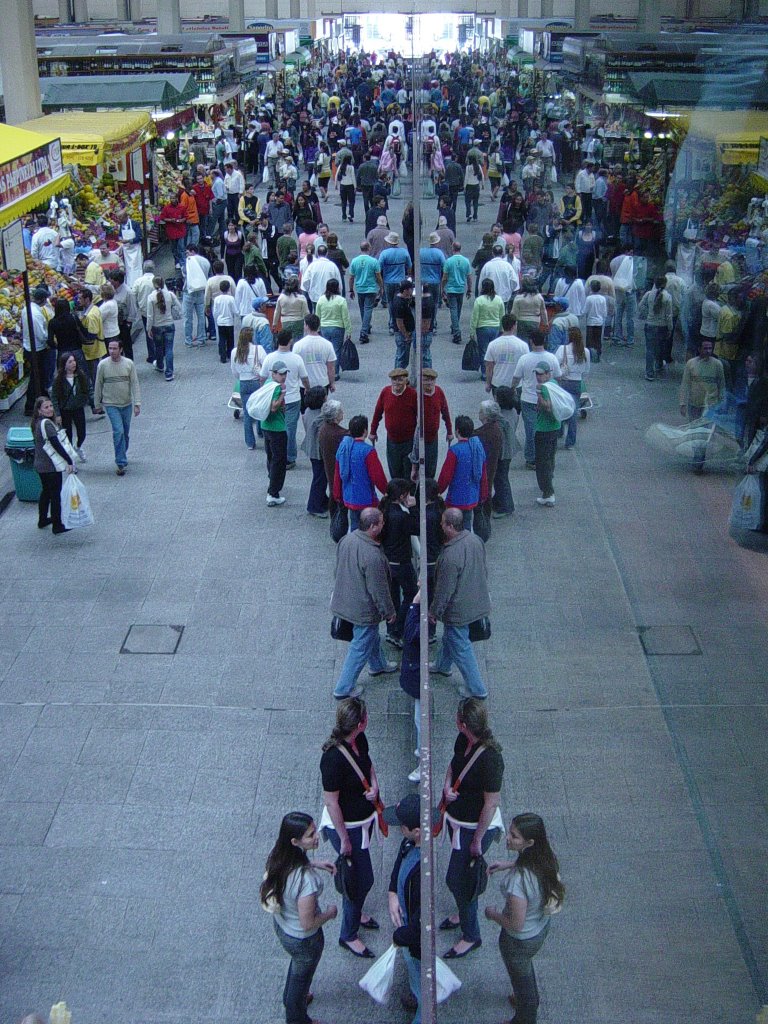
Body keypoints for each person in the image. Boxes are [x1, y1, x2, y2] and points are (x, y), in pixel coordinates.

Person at [436, 697, 504, 955]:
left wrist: (477, 840)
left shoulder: (491, 760)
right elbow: (453, 767)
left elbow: (490, 804)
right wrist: (446, 786)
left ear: (463, 723)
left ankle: (471, 933)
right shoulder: (464, 740)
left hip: (473, 828)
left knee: (457, 879)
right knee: (462, 876)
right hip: (460, 822)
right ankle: (464, 914)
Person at [485, 814, 565, 1024]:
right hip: (539, 926)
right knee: (524, 974)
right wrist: (509, 864)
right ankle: (525, 998)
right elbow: (530, 864)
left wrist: (493, 915)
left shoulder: (518, 884)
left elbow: (515, 924)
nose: (508, 838)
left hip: (519, 941)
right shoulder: (546, 859)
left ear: (529, 843)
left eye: (514, 836)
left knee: (522, 980)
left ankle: (525, 1015)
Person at [260, 812, 337, 1024]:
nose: (316, 837)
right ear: (295, 841)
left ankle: (294, 998)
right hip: (303, 940)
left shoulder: (278, 856)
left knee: (297, 971)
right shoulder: (306, 882)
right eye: (310, 835)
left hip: (283, 925)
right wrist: (329, 913)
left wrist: (315, 864)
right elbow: (308, 922)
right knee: (301, 977)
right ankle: (297, 1016)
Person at [320, 697, 382, 957]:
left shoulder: (359, 741)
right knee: (360, 878)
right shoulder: (332, 759)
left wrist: (375, 786)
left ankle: (355, 913)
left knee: (357, 876)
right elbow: (332, 803)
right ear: (361, 723)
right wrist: (344, 840)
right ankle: (348, 933)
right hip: (348, 828)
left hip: (361, 823)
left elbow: (368, 767)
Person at [330, 508, 397, 698]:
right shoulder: (373, 556)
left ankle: (378, 665)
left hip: (344, 600)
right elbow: (379, 590)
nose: (384, 524)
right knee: (360, 646)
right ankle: (344, 688)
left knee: (371, 638)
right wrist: (389, 612)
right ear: (374, 527)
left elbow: (338, 570)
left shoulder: (347, 540)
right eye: (382, 522)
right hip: (363, 610)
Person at [384, 793, 423, 1019]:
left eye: (402, 826)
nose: (399, 829)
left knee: (417, 971)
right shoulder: (409, 843)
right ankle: (416, 995)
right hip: (408, 922)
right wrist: (392, 891)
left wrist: (402, 936)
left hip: (414, 938)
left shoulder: (421, 875)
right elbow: (399, 863)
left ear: (416, 831)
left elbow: (421, 920)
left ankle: (421, 1010)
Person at [511, 330, 561, 469]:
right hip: (547, 398)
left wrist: (512, 388)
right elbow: (558, 377)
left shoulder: (524, 359)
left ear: (531, 341)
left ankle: (531, 457)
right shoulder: (551, 358)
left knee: (530, 430)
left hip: (528, 399)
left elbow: (516, 377)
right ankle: (545, 456)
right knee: (546, 428)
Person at [261, 331, 310, 469]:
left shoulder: (270, 358)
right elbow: (304, 377)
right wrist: (307, 388)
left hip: (274, 397)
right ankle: (289, 457)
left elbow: (262, 377)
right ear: (290, 342)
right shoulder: (296, 358)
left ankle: (276, 455)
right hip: (293, 398)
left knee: (277, 427)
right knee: (290, 428)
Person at [379, 479, 419, 647]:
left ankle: (391, 628)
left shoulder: (384, 511)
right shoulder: (402, 516)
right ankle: (398, 627)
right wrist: (414, 508)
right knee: (411, 594)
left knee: (393, 595)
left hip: (388, 561)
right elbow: (416, 528)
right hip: (402, 562)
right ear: (402, 495)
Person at [333, 415, 389, 533]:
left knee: (355, 526)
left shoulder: (343, 448)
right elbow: (377, 476)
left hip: (349, 497)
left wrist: (337, 493)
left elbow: (337, 473)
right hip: (365, 497)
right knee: (369, 528)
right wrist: (387, 491)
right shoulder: (368, 451)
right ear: (365, 430)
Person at [93, 339, 141, 476]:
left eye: (114, 348)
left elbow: (134, 383)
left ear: (120, 349)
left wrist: (137, 403)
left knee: (125, 432)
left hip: (126, 403)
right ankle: (120, 462)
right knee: (118, 431)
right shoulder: (103, 365)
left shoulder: (128, 364)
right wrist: (97, 404)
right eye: (110, 348)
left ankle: (122, 453)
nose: (112, 351)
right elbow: (98, 384)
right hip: (111, 404)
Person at [680, 338, 726, 474]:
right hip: (694, 405)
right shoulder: (691, 364)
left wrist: (721, 404)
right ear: (699, 349)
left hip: (710, 407)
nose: (708, 351)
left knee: (704, 435)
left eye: (710, 348)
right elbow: (685, 384)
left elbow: (722, 385)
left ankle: (699, 461)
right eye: (705, 348)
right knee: (695, 433)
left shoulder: (717, 365)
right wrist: (682, 403)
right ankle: (697, 457)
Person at [32, 394, 76, 534]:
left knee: (46, 491)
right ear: (39, 410)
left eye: (51, 406)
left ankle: (43, 519)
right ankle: (57, 525)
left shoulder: (36, 423)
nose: (50, 409)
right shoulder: (47, 424)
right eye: (46, 407)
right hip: (50, 465)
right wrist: (69, 460)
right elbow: (56, 444)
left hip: (40, 464)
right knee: (55, 494)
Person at [371, 368, 418, 479]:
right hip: (392, 442)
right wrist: (373, 431)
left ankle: (408, 495)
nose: (397, 382)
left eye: (400, 380)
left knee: (408, 474)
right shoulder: (385, 392)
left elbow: (420, 417)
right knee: (395, 472)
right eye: (394, 380)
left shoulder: (413, 394)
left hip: (409, 442)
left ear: (406, 380)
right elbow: (378, 412)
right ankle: (397, 495)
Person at [231, 326, 269, 450]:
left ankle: (250, 443)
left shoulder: (235, 352)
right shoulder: (259, 349)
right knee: (259, 407)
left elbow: (234, 371)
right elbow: (265, 366)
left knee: (247, 413)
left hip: (244, 383)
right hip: (256, 382)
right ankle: (260, 430)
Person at [554, 327, 590, 450]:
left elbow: (554, 365)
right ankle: (570, 441)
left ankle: (559, 431)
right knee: (573, 411)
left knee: (559, 407)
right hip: (576, 383)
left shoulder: (562, 349)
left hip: (563, 382)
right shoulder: (585, 352)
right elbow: (586, 369)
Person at [260, 360, 290, 506]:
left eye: (285, 373)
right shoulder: (278, 388)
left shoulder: (267, 383)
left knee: (271, 456)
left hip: (265, 426)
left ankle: (272, 480)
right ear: (273, 373)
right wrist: (283, 394)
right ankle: (273, 492)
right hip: (277, 428)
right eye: (281, 374)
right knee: (279, 460)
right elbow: (273, 407)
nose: (283, 376)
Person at [50, 353, 89, 462]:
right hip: (65, 410)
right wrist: (57, 414)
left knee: (82, 432)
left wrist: (86, 401)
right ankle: (71, 458)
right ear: (64, 365)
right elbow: (54, 397)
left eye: (74, 361)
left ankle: (78, 446)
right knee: (68, 435)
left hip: (78, 408)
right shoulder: (58, 380)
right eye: (70, 362)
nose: (73, 364)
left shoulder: (80, 376)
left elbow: (87, 389)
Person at [533, 363, 560, 507]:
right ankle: (549, 483)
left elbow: (548, 407)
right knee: (550, 458)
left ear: (548, 373)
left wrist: (538, 394)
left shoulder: (544, 388)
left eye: (541, 374)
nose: (538, 376)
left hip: (544, 429)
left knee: (542, 462)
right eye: (537, 374)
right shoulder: (554, 383)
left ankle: (548, 493)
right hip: (555, 427)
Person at [637, 276, 673, 382]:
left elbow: (640, 305)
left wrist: (647, 313)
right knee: (660, 347)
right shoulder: (668, 297)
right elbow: (669, 315)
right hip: (662, 326)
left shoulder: (649, 294)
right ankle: (659, 365)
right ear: (665, 284)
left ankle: (649, 372)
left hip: (650, 324)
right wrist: (670, 328)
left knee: (650, 349)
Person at [146, 277, 182, 382]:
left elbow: (149, 315)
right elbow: (179, 307)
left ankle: (160, 365)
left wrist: (149, 328)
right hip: (169, 324)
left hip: (157, 326)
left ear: (154, 285)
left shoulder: (151, 297)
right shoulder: (170, 294)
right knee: (169, 349)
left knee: (158, 347)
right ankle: (169, 373)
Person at [470, 279, 506, 382]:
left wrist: (472, 331)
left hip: (482, 328)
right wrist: (502, 329)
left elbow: (474, 317)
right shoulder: (498, 299)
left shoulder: (479, 300)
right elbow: (502, 315)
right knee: (494, 351)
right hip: (495, 328)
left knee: (484, 351)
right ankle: (494, 371)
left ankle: (485, 373)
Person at [348, 241, 383, 345]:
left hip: (360, 288)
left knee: (363, 309)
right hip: (371, 288)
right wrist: (381, 287)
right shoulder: (373, 261)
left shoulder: (354, 261)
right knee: (368, 309)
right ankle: (364, 331)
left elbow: (351, 277)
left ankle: (366, 326)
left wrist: (351, 289)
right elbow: (378, 276)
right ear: (369, 248)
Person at [485, 314, 528, 395]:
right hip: (516, 385)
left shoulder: (493, 344)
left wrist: (488, 383)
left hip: (497, 383)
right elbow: (526, 366)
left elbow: (489, 366)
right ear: (514, 326)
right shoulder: (523, 345)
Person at [293, 313, 337, 394]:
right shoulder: (327, 344)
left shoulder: (298, 345)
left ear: (306, 326)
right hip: (323, 383)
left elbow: (295, 367)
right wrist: (332, 383)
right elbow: (331, 368)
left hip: (304, 385)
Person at [318, 399, 348, 518]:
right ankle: (337, 516)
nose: (342, 413)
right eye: (340, 411)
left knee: (333, 488)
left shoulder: (325, 428)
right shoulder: (338, 433)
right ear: (335, 416)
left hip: (328, 461)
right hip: (335, 465)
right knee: (336, 489)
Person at [442, 241, 473, 346]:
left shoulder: (449, 261)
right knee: (458, 310)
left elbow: (445, 277)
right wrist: (469, 289)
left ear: (452, 248)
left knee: (453, 310)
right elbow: (469, 277)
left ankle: (456, 331)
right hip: (461, 289)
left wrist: (442, 288)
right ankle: (455, 326)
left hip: (451, 289)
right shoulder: (466, 261)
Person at [275, 276, 310, 343]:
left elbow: (277, 311)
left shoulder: (281, 297)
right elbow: (306, 312)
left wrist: (274, 323)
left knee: (287, 340)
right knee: (298, 341)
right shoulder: (301, 297)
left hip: (285, 321)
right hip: (298, 321)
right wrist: (307, 324)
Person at [511, 279, 546, 345]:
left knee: (522, 342)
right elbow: (543, 310)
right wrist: (545, 322)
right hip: (535, 322)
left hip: (521, 321)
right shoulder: (539, 297)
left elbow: (514, 312)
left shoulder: (518, 297)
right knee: (533, 341)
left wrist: (513, 325)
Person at [213, 279, 238, 364]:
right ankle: (230, 354)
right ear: (228, 288)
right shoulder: (231, 298)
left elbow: (215, 311)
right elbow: (235, 310)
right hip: (229, 322)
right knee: (230, 339)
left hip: (220, 322)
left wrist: (216, 319)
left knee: (222, 339)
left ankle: (222, 356)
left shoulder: (217, 299)